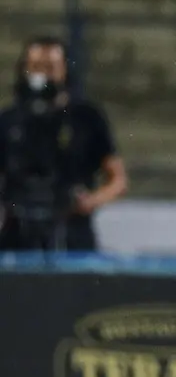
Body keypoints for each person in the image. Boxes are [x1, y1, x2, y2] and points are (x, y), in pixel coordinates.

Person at [0, 36, 127, 251]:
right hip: (17, 232)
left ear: (65, 70)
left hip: (71, 232)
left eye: (50, 68)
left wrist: (90, 201)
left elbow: (118, 180)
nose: (42, 74)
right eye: (35, 67)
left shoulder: (86, 118)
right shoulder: (9, 120)